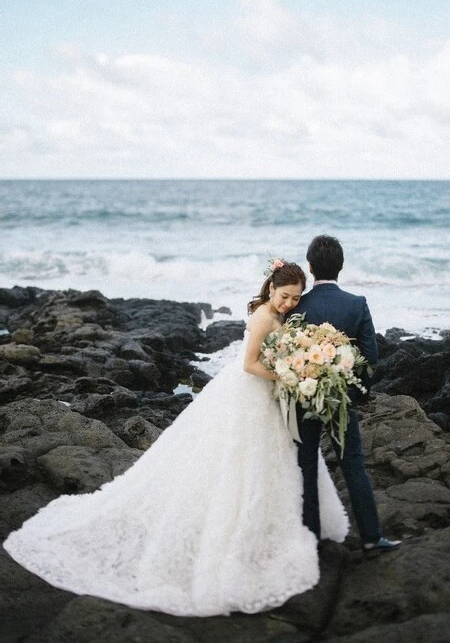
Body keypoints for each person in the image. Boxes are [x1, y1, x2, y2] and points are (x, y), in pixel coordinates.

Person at [3, 261, 349, 617]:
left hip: (265, 396)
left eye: (295, 298)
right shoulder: (263, 316)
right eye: (285, 296)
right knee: (240, 459)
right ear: (272, 289)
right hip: (250, 391)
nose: (290, 303)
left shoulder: (279, 315)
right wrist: (288, 375)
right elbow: (249, 364)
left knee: (270, 461)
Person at [291, 236, 401, 556]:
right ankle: (371, 537)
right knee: (353, 465)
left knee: (306, 465)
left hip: (304, 397)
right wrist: (352, 391)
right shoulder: (357, 303)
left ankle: (310, 540)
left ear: (310, 268)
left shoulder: (298, 304)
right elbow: (371, 356)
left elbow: (287, 354)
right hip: (341, 399)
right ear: (341, 267)